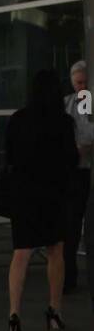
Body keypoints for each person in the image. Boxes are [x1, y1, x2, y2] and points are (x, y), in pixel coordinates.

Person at [5, 69, 77, 331]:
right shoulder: (63, 122)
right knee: (56, 251)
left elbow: (9, 156)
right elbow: (71, 161)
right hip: (53, 196)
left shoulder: (18, 120)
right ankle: (54, 311)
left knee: (20, 253)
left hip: (23, 196)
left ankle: (14, 314)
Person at [63, 58, 93, 293]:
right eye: (77, 83)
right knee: (71, 226)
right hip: (75, 172)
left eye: (84, 82)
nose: (81, 87)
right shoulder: (68, 104)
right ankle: (69, 276)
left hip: (86, 168)